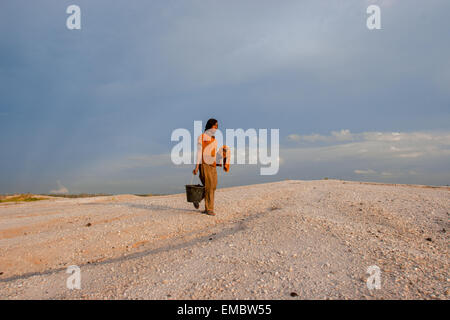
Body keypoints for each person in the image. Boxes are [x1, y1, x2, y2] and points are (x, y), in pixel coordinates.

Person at [192, 118, 229, 216]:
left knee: (213, 186)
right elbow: (199, 152)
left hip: (212, 165)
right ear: (210, 125)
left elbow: (214, 154)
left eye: (217, 126)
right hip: (204, 164)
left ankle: (197, 199)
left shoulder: (214, 140)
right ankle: (209, 209)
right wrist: (196, 167)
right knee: (209, 186)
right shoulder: (202, 137)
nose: (216, 127)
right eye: (215, 125)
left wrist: (222, 155)